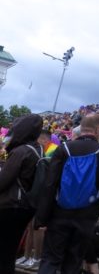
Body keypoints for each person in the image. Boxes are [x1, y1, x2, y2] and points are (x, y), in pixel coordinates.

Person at [35, 114, 99, 274]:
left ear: (81, 128)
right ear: (98, 129)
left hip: (59, 213)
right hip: (85, 217)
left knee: (50, 258)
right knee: (73, 262)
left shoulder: (64, 148)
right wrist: (96, 213)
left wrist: (42, 217)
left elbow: (50, 184)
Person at [0, 114, 43, 274]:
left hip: (10, 206)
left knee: (3, 253)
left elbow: (3, 181)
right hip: (24, 207)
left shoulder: (20, 151)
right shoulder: (37, 149)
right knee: (8, 253)